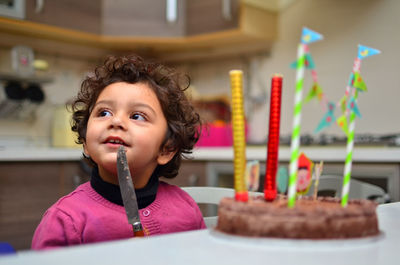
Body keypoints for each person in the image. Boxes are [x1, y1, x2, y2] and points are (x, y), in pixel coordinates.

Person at [32, 55, 206, 250]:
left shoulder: (186, 209)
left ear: (167, 148)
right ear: (85, 142)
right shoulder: (65, 221)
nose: (115, 121)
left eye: (137, 116)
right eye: (104, 113)